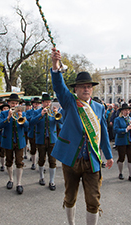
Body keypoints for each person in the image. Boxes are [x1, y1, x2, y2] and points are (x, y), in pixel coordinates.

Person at [51, 48, 113, 225]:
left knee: (93, 200)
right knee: (70, 197)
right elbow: (58, 86)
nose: (86, 89)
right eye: (82, 86)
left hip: (92, 160)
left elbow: (103, 134)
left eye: (89, 86)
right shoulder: (70, 102)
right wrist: (55, 67)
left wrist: (108, 155)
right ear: (76, 89)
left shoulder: (100, 108)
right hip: (71, 159)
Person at [0, 93, 28, 194]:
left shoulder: (23, 113)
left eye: (16, 103)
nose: (15, 105)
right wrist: (8, 118)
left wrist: (22, 119)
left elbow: (27, 126)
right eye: (13, 103)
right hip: (8, 141)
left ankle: (19, 183)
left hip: (19, 141)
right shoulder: (3, 113)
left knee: (19, 162)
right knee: (9, 161)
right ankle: (11, 179)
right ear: (9, 103)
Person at [29, 93, 58, 191]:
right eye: (46, 102)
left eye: (49, 102)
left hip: (52, 139)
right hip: (41, 139)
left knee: (52, 160)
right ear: (42, 103)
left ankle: (52, 181)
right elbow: (31, 123)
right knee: (41, 159)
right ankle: (41, 177)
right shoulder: (37, 112)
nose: (48, 104)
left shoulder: (53, 112)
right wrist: (41, 115)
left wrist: (57, 113)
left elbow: (61, 122)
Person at [113, 103, 131, 182]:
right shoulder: (118, 119)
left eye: (128, 110)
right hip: (121, 141)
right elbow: (116, 129)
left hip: (130, 140)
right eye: (125, 110)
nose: (127, 112)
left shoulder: (130, 119)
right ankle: (120, 172)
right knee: (121, 158)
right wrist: (125, 130)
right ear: (122, 111)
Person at [0, 102, 10, 172]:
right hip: (1, 135)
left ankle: (8, 166)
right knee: (2, 152)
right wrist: (0, 128)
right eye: (4, 108)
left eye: (7, 108)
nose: (6, 109)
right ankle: (3, 165)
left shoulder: (12, 115)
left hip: (8, 136)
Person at [27, 97, 41, 169]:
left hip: (40, 133)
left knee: (41, 150)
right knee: (33, 149)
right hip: (32, 132)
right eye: (36, 103)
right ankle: (33, 163)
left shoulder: (42, 111)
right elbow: (29, 120)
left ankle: (40, 164)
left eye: (38, 103)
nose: (37, 105)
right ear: (33, 104)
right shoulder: (29, 112)